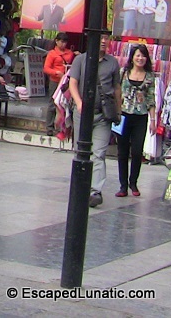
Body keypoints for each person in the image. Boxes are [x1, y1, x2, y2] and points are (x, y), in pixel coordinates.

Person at [68, 34, 121, 208]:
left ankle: (95, 191)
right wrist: (79, 102)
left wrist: (118, 111)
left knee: (99, 152)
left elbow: (117, 89)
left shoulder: (112, 63)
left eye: (107, 38)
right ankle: (80, 187)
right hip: (82, 113)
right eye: (101, 38)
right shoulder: (80, 60)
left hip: (103, 114)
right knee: (81, 150)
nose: (104, 41)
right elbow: (73, 83)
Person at [114, 44, 157, 198]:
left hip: (141, 117)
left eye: (143, 55)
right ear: (132, 57)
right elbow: (116, 93)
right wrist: (116, 113)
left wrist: (153, 120)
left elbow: (151, 100)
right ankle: (123, 185)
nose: (140, 58)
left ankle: (133, 182)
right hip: (123, 116)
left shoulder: (150, 76)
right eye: (138, 55)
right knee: (122, 152)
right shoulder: (123, 73)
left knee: (137, 151)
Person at [43, 32, 75, 136]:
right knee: (52, 103)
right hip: (55, 81)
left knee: (65, 104)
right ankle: (49, 127)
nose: (63, 44)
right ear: (56, 41)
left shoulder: (69, 53)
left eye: (65, 42)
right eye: (61, 41)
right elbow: (46, 68)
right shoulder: (52, 54)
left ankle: (63, 127)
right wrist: (56, 73)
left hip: (66, 81)